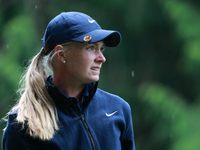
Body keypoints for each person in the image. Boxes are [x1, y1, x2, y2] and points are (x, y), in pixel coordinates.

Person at [2, 11, 136, 150]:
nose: (101, 58)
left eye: (101, 49)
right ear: (61, 54)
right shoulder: (23, 125)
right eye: (91, 48)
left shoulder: (117, 108)